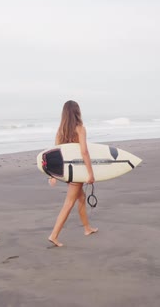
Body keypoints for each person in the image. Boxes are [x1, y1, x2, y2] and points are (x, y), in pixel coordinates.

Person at [48, 100, 98, 247]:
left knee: (81, 197)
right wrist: (90, 173)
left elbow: (55, 155)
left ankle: (87, 228)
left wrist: (52, 175)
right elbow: (84, 152)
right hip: (78, 170)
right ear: (77, 112)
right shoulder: (80, 129)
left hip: (67, 172)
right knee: (69, 203)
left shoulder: (60, 131)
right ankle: (54, 235)